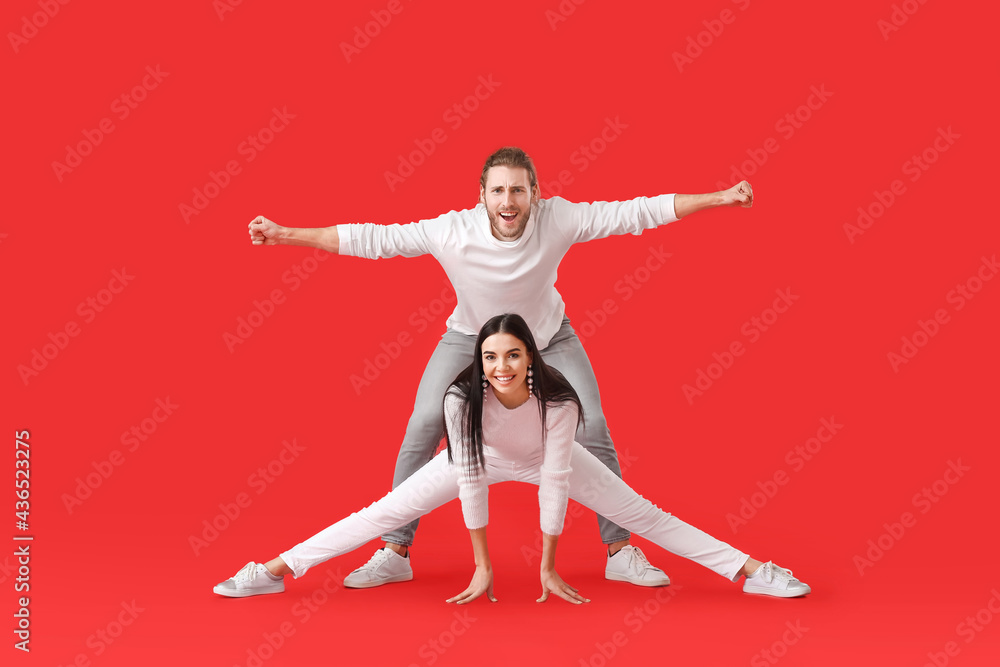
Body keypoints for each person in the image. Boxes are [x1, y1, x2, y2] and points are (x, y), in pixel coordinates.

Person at [247, 146, 755, 588]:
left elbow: (635, 212)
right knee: (424, 423)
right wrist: (288, 234)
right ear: (482, 195)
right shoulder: (452, 231)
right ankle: (394, 552)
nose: (508, 202)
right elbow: (375, 239)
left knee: (592, 423)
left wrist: (716, 198)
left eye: (518, 190)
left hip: (549, 337)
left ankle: (619, 551)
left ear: (535, 192)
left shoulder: (558, 219)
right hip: (470, 337)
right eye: (498, 191)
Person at [214, 313, 810, 602]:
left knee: (646, 515)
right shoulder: (460, 399)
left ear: (531, 358)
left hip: (549, 456)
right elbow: (470, 479)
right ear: (479, 360)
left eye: (514, 355)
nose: (501, 367)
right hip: (479, 457)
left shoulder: (559, 401)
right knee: (381, 513)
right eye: (491, 356)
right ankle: (272, 572)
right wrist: (483, 565)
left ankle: (753, 573)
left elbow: (553, 482)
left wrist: (548, 565)